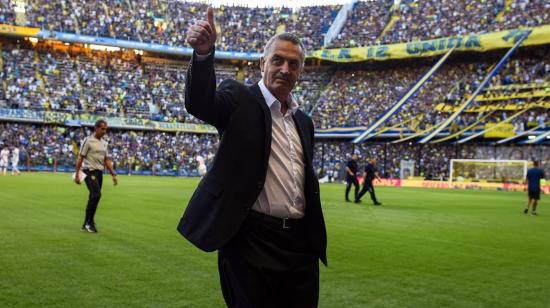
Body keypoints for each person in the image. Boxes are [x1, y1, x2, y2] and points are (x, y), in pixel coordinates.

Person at [177, 7, 327, 308]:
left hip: (299, 246)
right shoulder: (238, 98)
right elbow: (200, 103)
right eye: (278, 60)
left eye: (293, 64)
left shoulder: (304, 122)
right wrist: (205, 54)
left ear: (301, 71)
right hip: (251, 242)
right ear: (263, 63)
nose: (285, 69)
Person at [74, 120, 118, 233]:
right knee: (96, 195)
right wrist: (77, 174)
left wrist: (113, 174)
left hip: (99, 172)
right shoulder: (88, 141)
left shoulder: (104, 143)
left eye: (106, 129)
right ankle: (90, 223)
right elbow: (80, 157)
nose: (105, 131)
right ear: (96, 128)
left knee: (93, 197)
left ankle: (85, 223)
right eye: (102, 129)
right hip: (89, 171)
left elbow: (106, 159)